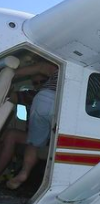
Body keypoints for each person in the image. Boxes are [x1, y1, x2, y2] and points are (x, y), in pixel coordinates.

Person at [2, 60, 58, 190]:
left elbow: (12, 96)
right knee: (10, 134)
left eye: (42, 82)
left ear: (48, 81)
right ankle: (21, 173)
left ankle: (23, 172)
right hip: (45, 132)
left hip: (48, 136)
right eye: (35, 83)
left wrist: (8, 75)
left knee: (19, 138)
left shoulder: (35, 95)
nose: (38, 85)